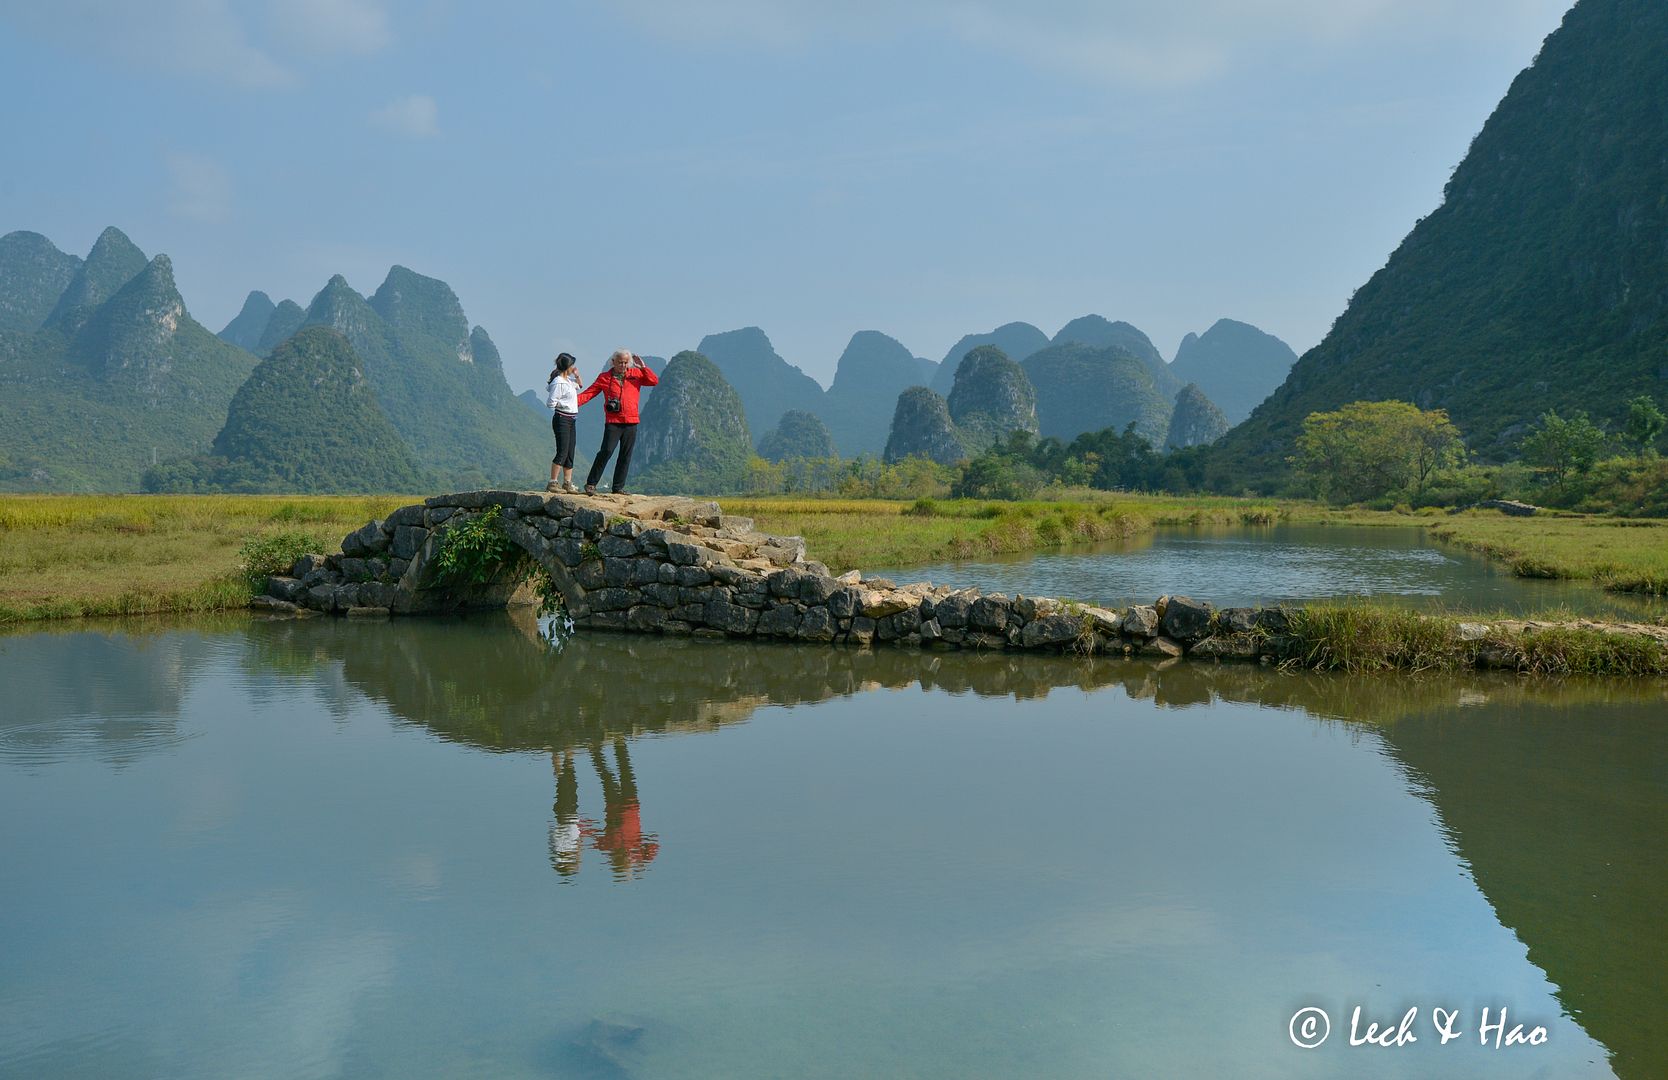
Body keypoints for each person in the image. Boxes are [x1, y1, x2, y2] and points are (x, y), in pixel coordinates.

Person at [577, 348, 658, 495]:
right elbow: (588, 394)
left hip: (631, 421)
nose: (623, 365)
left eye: (626, 362)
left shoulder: (636, 374)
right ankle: (591, 484)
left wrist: (643, 368)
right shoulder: (604, 378)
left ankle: (618, 487)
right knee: (606, 451)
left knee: (625, 455)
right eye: (620, 362)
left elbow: (653, 381)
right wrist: (571, 403)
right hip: (613, 421)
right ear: (613, 362)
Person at [544, 352, 582, 493]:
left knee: (570, 451)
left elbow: (580, 385)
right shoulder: (559, 382)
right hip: (562, 419)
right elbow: (550, 403)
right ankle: (553, 483)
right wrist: (564, 405)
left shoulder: (568, 381)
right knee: (562, 451)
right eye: (572, 365)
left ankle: (567, 483)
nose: (574, 367)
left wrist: (577, 375)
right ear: (567, 366)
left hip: (571, 419)